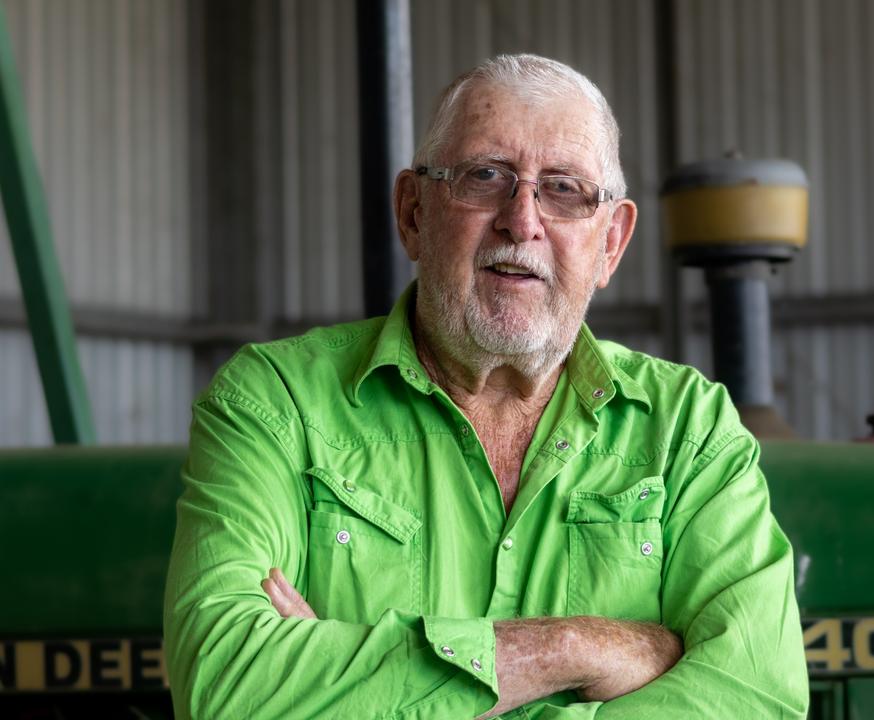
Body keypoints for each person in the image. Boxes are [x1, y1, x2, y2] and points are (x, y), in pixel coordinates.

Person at [163, 53, 807, 719]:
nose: (521, 220)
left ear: (610, 243)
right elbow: (228, 688)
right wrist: (571, 649)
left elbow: (757, 696)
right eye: (485, 176)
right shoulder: (275, 403)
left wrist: (349, 683)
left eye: (565, 190)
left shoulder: (688, 430)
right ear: (413, 213)